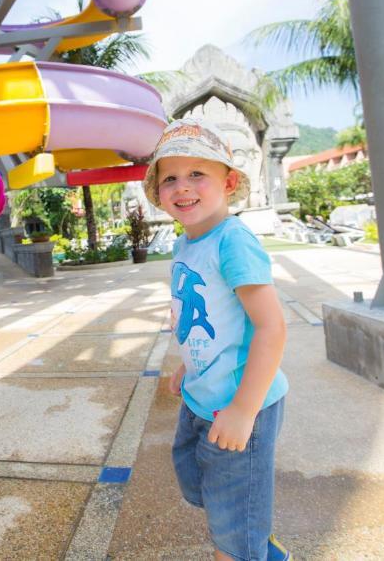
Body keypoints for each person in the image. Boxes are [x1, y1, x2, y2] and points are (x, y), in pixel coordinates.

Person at [143, 118, 291, 561]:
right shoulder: (186, 244)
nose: (182, 187)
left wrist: (243, 410)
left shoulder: (233, 242)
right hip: (200, 396)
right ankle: (255, 541)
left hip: (241, 402)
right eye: (170, 178)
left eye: (197, 174)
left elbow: (271, 327)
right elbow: (208, 316)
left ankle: (246, 547)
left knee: (231, 525)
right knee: (199, 483)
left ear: (227, 183)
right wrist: (188, 363)